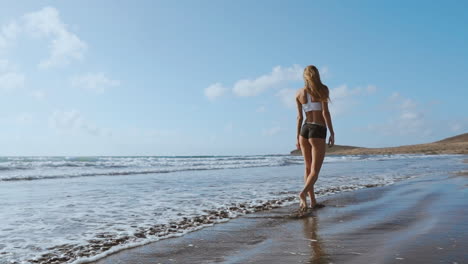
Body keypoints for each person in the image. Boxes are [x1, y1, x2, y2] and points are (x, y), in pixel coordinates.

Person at [295, 65, 335, 211]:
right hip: (318, 129)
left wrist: (296, 137)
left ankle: (312, 201)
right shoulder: (322, 89)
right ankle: (303, 193)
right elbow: (325, 113)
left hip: (304, 131)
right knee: (315, 171)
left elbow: (299, 117)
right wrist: (332, 132)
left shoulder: (299, 93)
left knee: (307, 168)